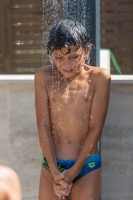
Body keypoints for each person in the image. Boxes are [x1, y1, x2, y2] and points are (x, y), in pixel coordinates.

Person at [35, 20, 111, 200]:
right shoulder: (44, 77)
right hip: (51, 165)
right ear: (51, 55)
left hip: (86, 166)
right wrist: (55, 172)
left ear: (87, 51)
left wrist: (72, 173)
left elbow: (95, 129)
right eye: (59, 58)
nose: (66, 64)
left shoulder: (99, 78)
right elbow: (43, 124)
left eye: (73, 57)